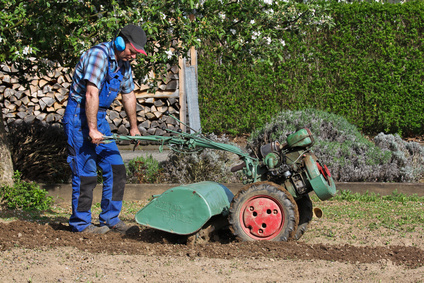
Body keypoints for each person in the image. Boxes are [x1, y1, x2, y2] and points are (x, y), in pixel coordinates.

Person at [62, 24, 147, 234]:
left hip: (98, 117)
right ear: (120, 42)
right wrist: (92, 129)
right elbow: (91, 94)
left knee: (116, 168)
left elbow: (128, 94)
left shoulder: (124, 64)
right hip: (79, 117)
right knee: (86, 172)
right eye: (133, 51)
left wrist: (134, 127)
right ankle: (81, 224)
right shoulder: (98, 56)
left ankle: (110, 218)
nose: (134, 56)